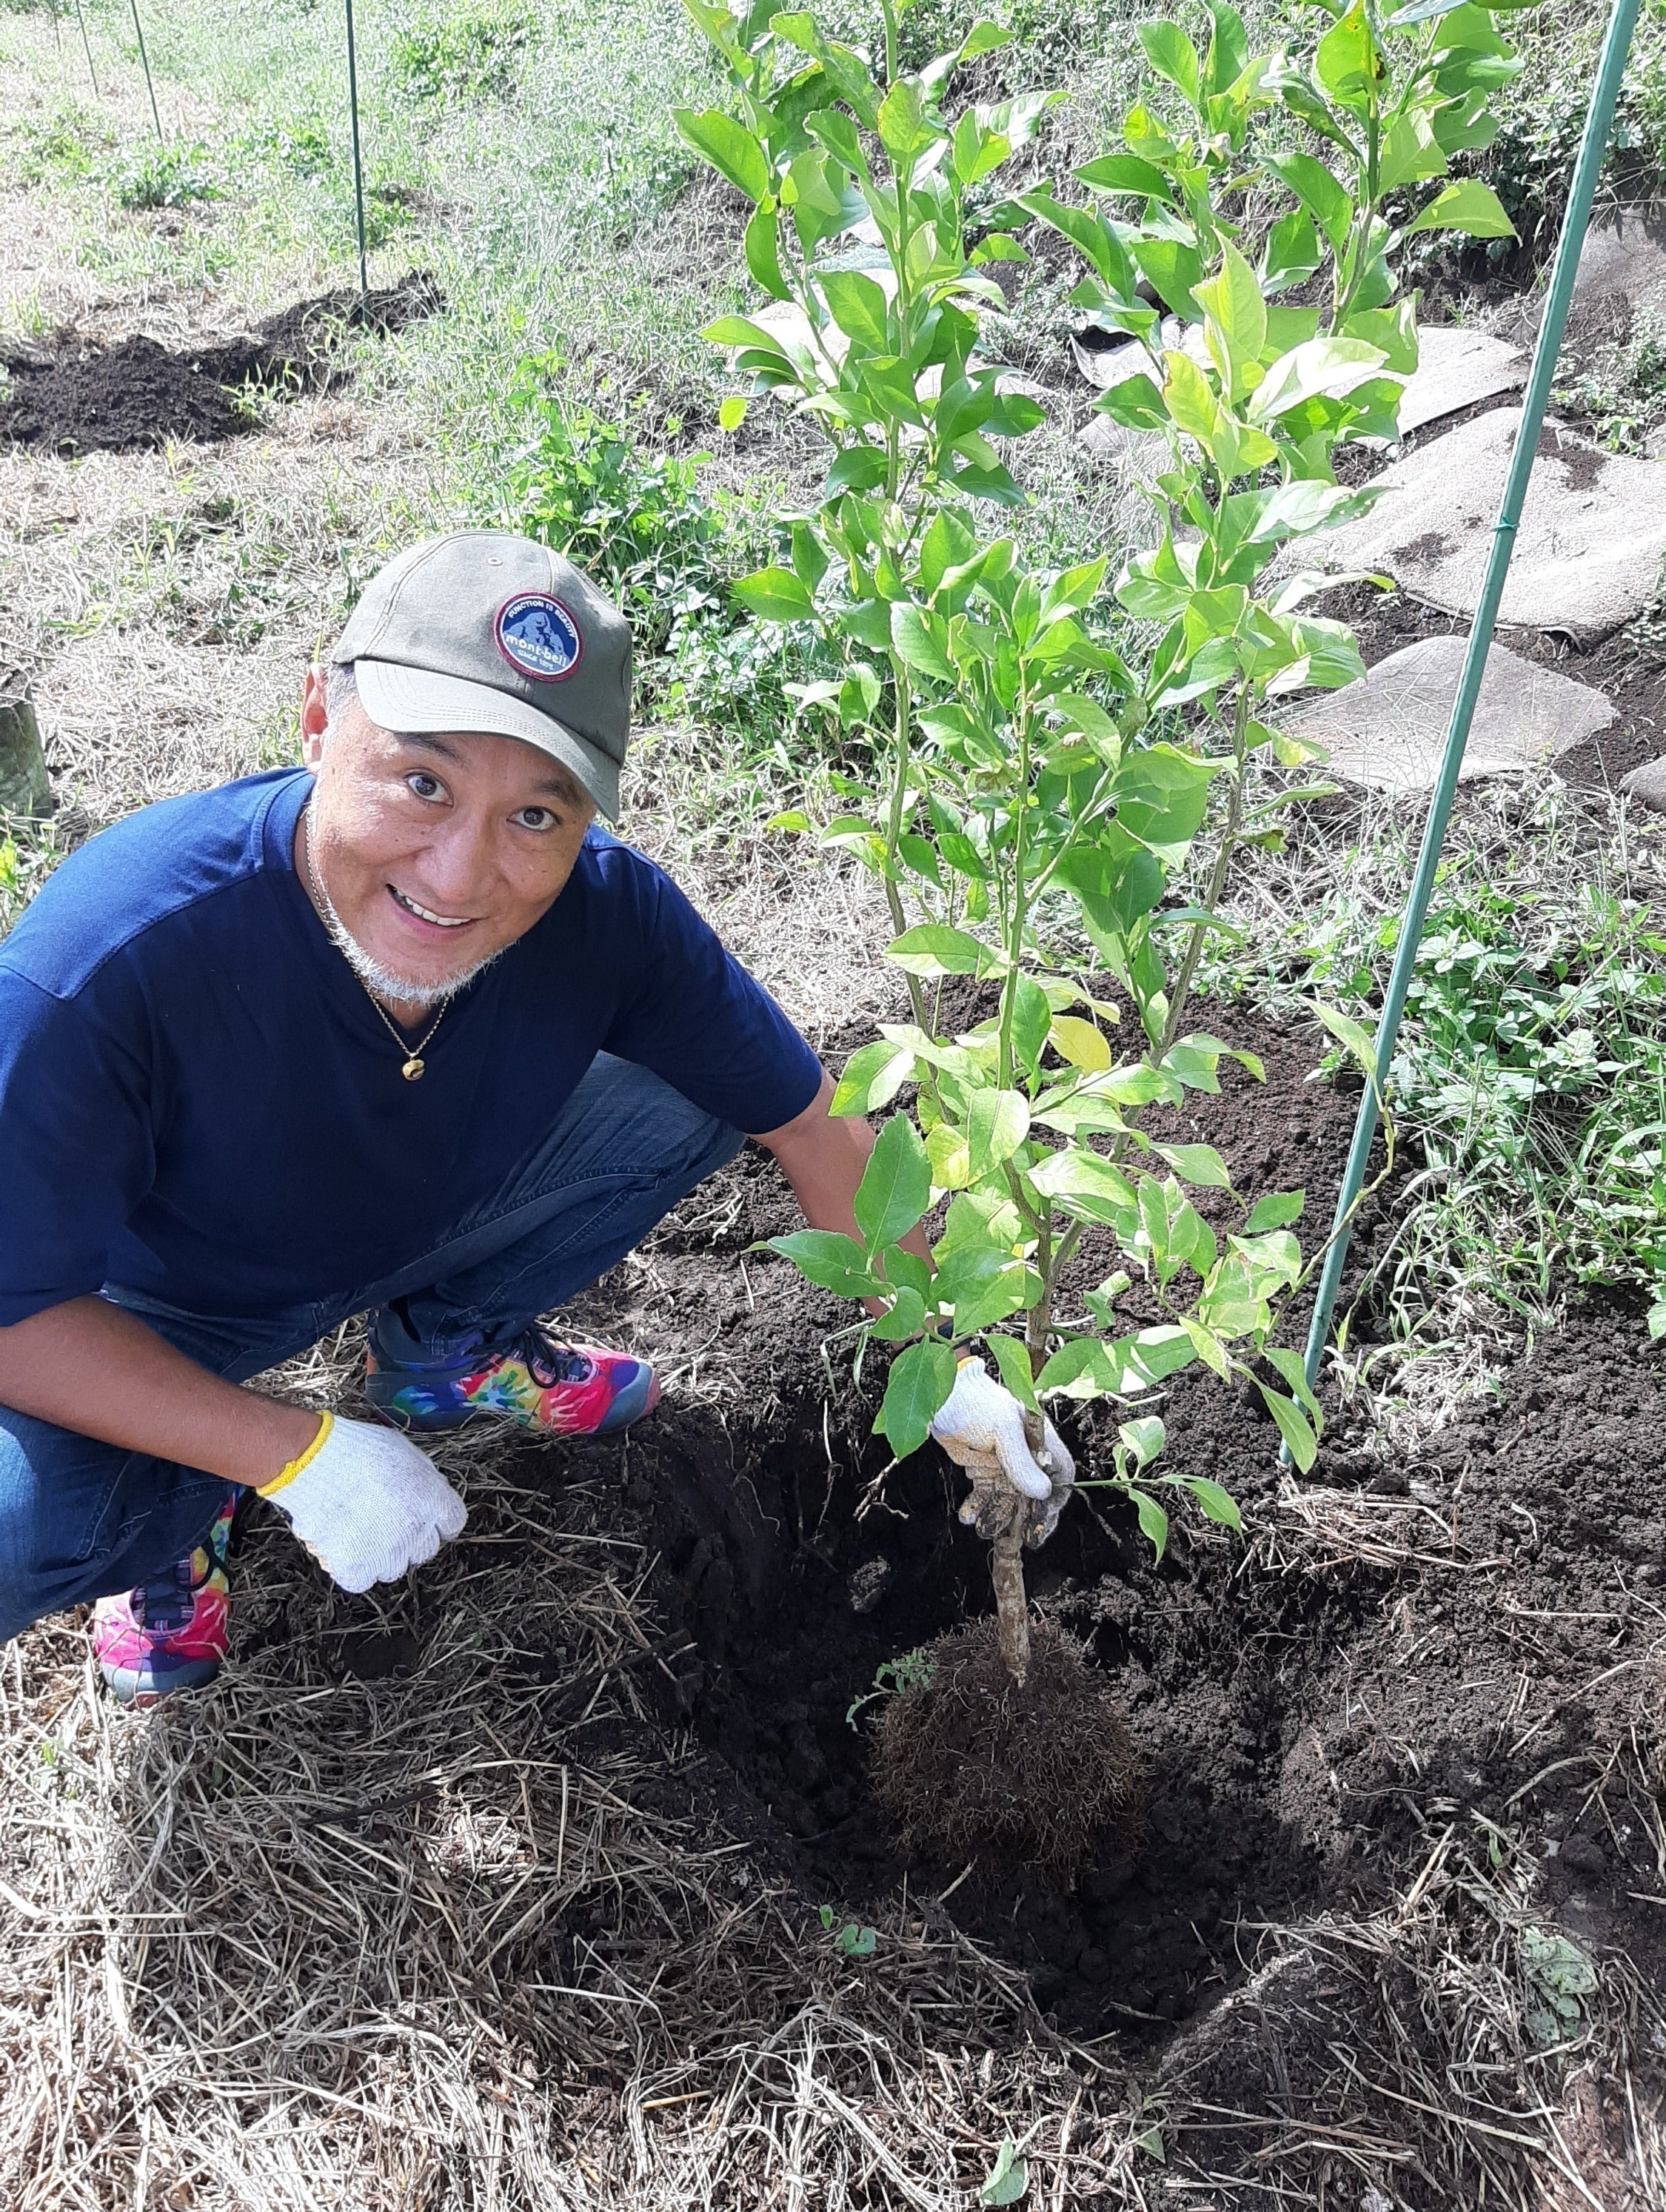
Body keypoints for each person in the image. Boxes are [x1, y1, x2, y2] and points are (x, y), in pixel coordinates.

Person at [0, 532, 1071, 1704]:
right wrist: (289, 1451)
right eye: (423, 783)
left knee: (704, 1087)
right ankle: (172, 1503)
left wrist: (935, 1359)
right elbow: (11, 1315)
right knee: (18, 1523)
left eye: (534, 817)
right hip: (163, 1309)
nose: (459, 875)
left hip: (407, 1219)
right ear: (316, 718)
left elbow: (810, 1123)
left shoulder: (610, 920)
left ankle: (442, 1353)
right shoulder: (111, 958)